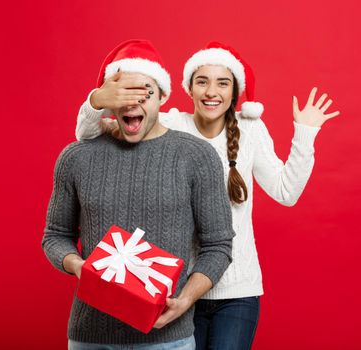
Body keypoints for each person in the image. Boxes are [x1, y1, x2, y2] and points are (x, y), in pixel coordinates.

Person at [75, 41, 340, 350]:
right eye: (202, 81)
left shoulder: (250, 130)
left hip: (237, 293)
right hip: (180, 289)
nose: (211, 91)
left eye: (222, 83)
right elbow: (90, 135)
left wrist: (304, 134)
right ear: (189, 89)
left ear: (234, 92)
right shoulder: (171, 126)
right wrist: (96, 101)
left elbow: (286, 192)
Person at [42, 39, 235, 350]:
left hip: (168, 339)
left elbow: (219, 244)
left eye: (144, 92)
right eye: (123, 93)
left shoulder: (196, 156)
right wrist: (80, 267)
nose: (132, 104)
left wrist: (184, 300)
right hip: (91, 337)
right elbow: (55, 235)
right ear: (108, 99)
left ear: (162, 96)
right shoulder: (76, 158)